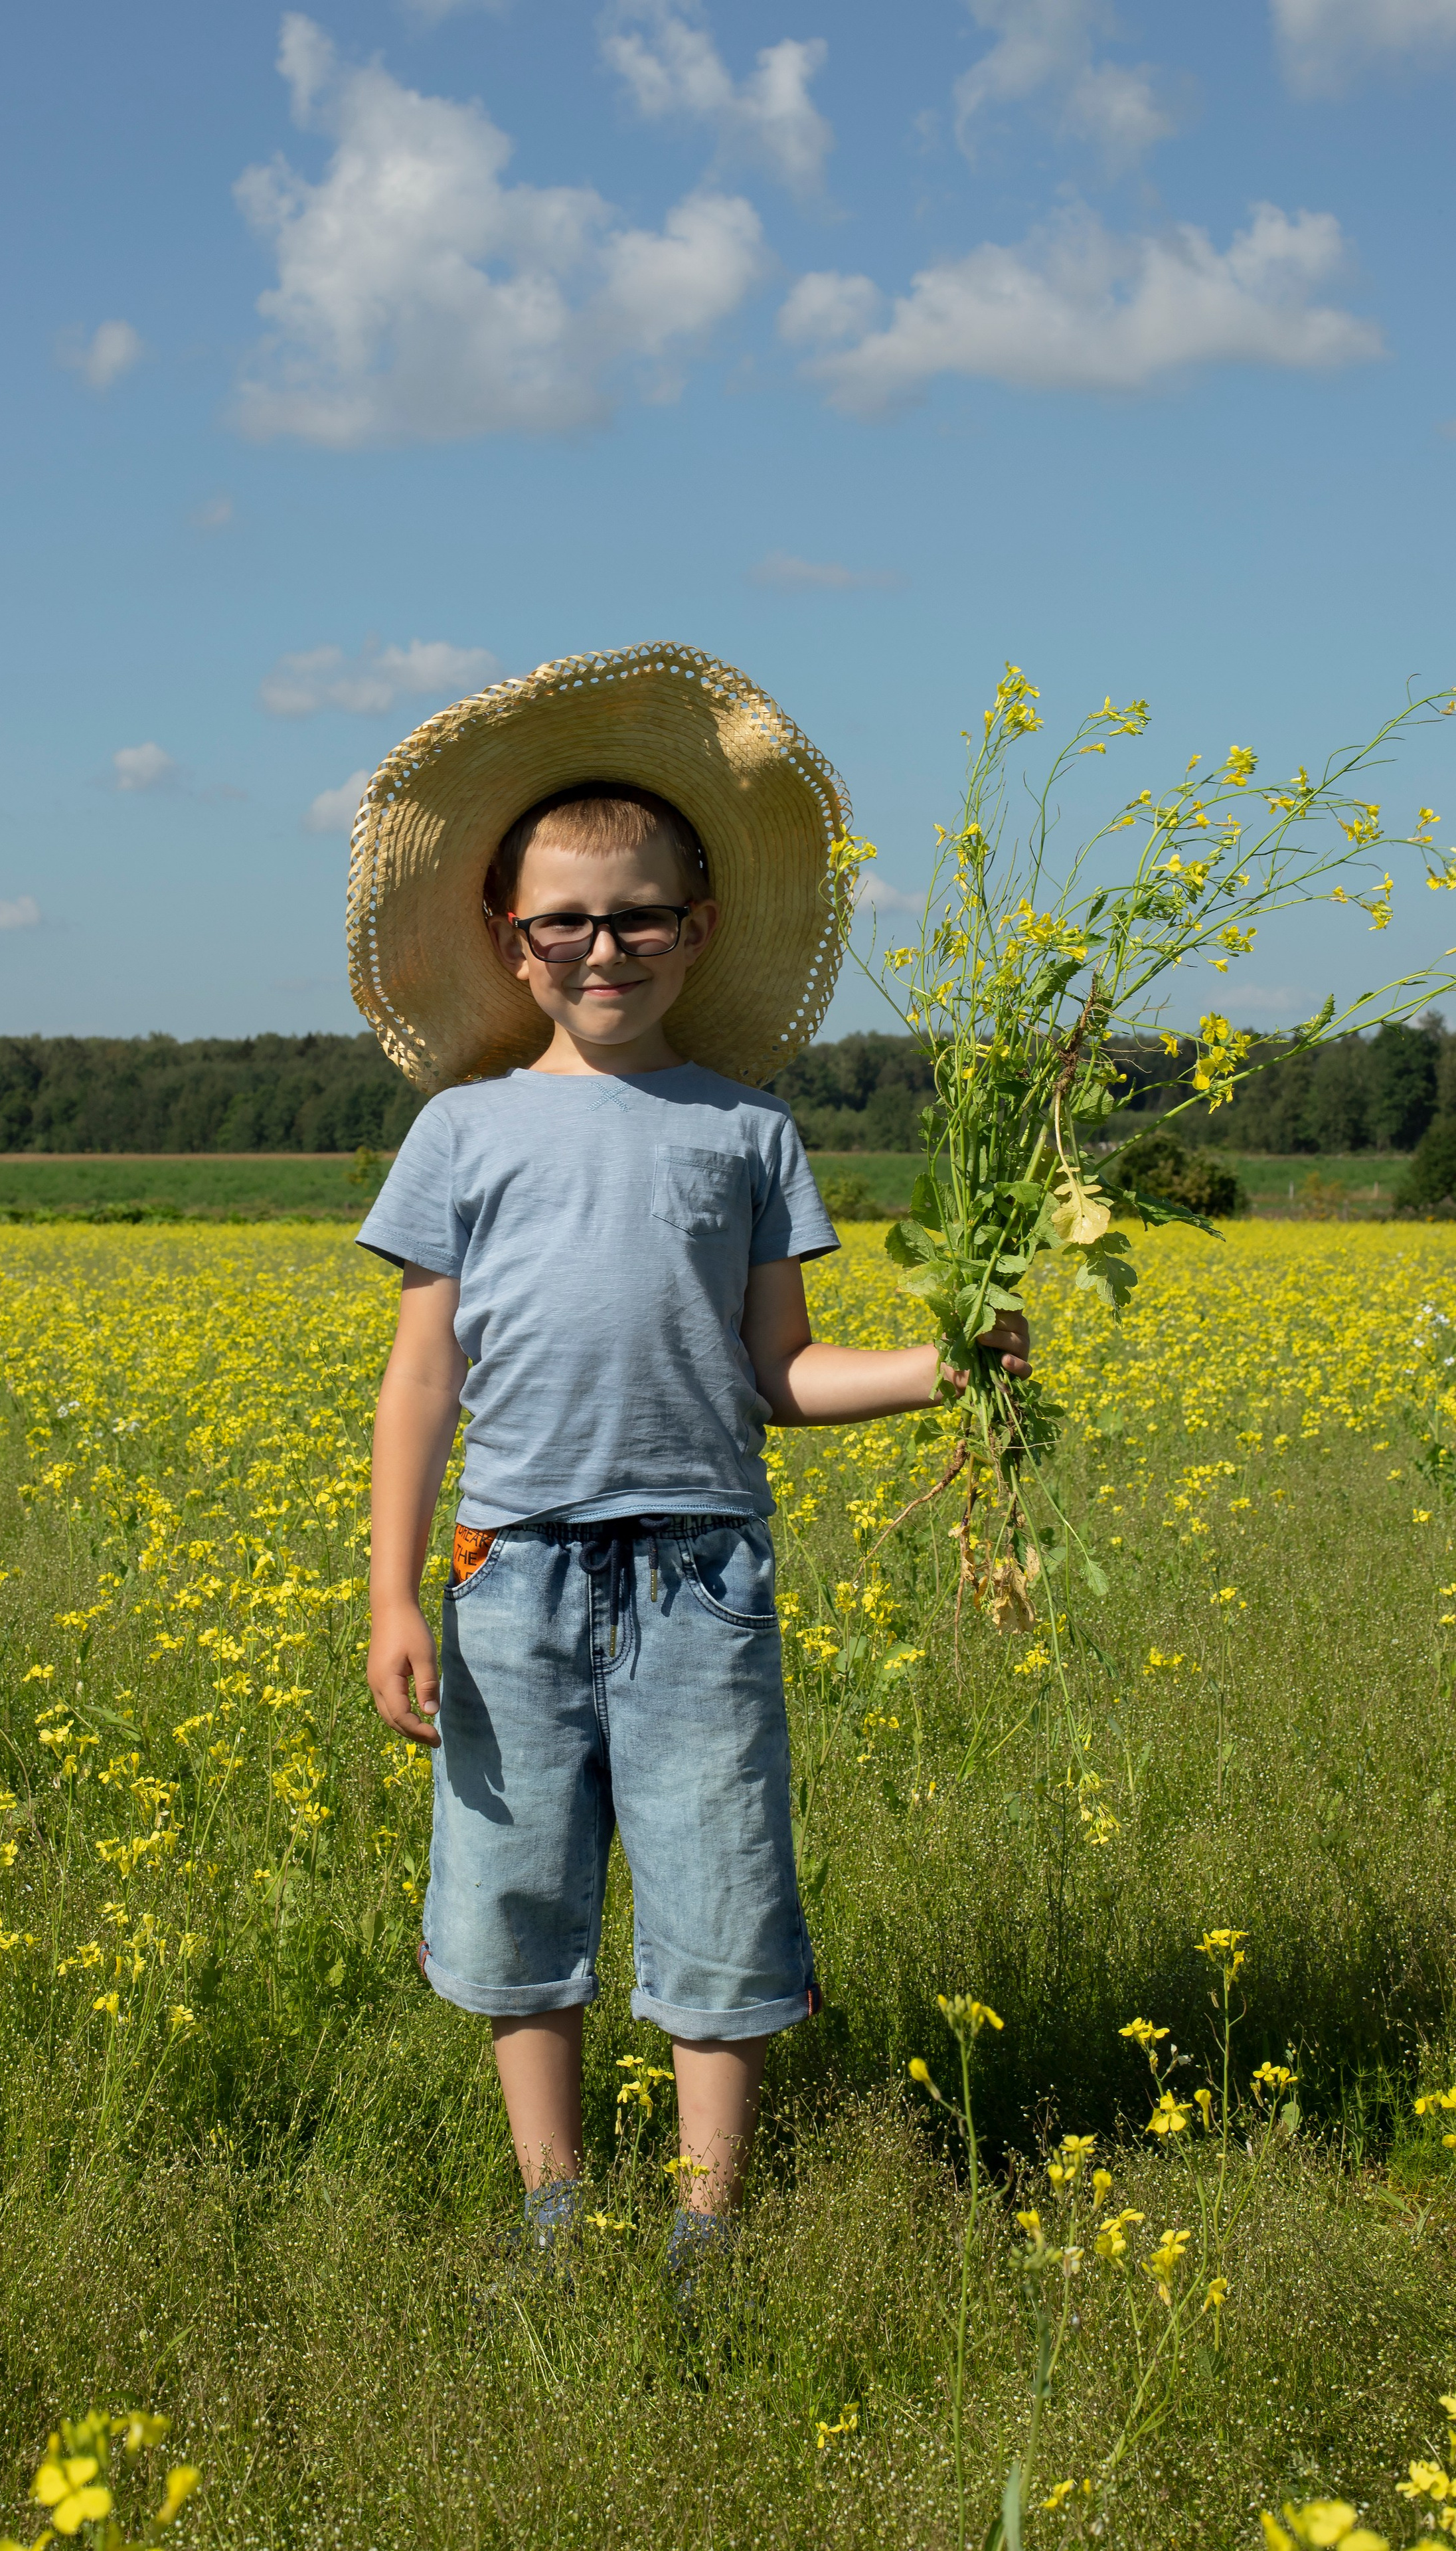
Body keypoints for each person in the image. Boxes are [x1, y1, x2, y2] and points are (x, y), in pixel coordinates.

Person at [349, 644, 1030, 2277]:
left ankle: (706, 2226)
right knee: (516, 1896)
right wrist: (391, 1590)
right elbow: (421, 1376)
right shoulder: (461, 1130)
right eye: (564, 923)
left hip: (701, 1571)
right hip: (508, 1567)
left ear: (697, 929)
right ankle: (552, 2208)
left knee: (720, 1886)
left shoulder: (746, 1129)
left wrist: (943, 1369)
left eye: (639, 918)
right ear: (508, 939)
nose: (603, 949)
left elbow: (778, 1370)